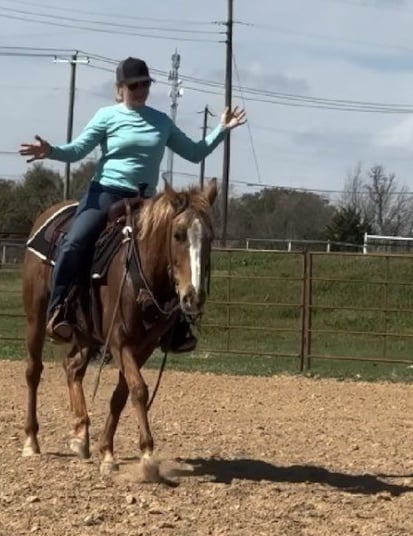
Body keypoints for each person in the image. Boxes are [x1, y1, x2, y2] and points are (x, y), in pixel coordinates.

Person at [19, 56, 247, 350]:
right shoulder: (107, 116)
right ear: (121, 88)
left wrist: (221, 130)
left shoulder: (161, 121)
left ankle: (176, 326)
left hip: (146, 201)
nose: (140, 90)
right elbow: (77, 150)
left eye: (145, 84)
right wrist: (50, 151)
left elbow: (193, 152)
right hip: (106, 194)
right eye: (134, 85)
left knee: (168, 254)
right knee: (75, 241)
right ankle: (58, 308)